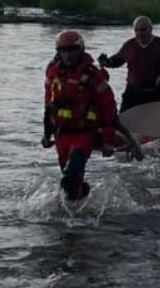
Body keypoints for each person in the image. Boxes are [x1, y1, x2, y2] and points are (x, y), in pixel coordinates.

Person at [41, 30, 117, 200]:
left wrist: (108, 141)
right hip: (61, 134)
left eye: (72, 50)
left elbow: (109, 108)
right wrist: (47, 133)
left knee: (72, 170)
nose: (67, 55)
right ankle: (78, 207)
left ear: (80, 50)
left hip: (84, 133)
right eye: (63, 51)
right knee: (70, 184)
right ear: (58, 52)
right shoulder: (54, 74)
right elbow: (49, 106)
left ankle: (78, 213)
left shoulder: (92, 76)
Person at [98, 16, 160, 112]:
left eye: (143, 30)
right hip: (132, 93)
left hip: (154, 94)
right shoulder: (129, 45)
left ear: (151, 29)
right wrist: (106, 62)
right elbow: (117, 60)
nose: (139, 33)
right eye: (136, 30)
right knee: (123, 122)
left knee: (152, 125)